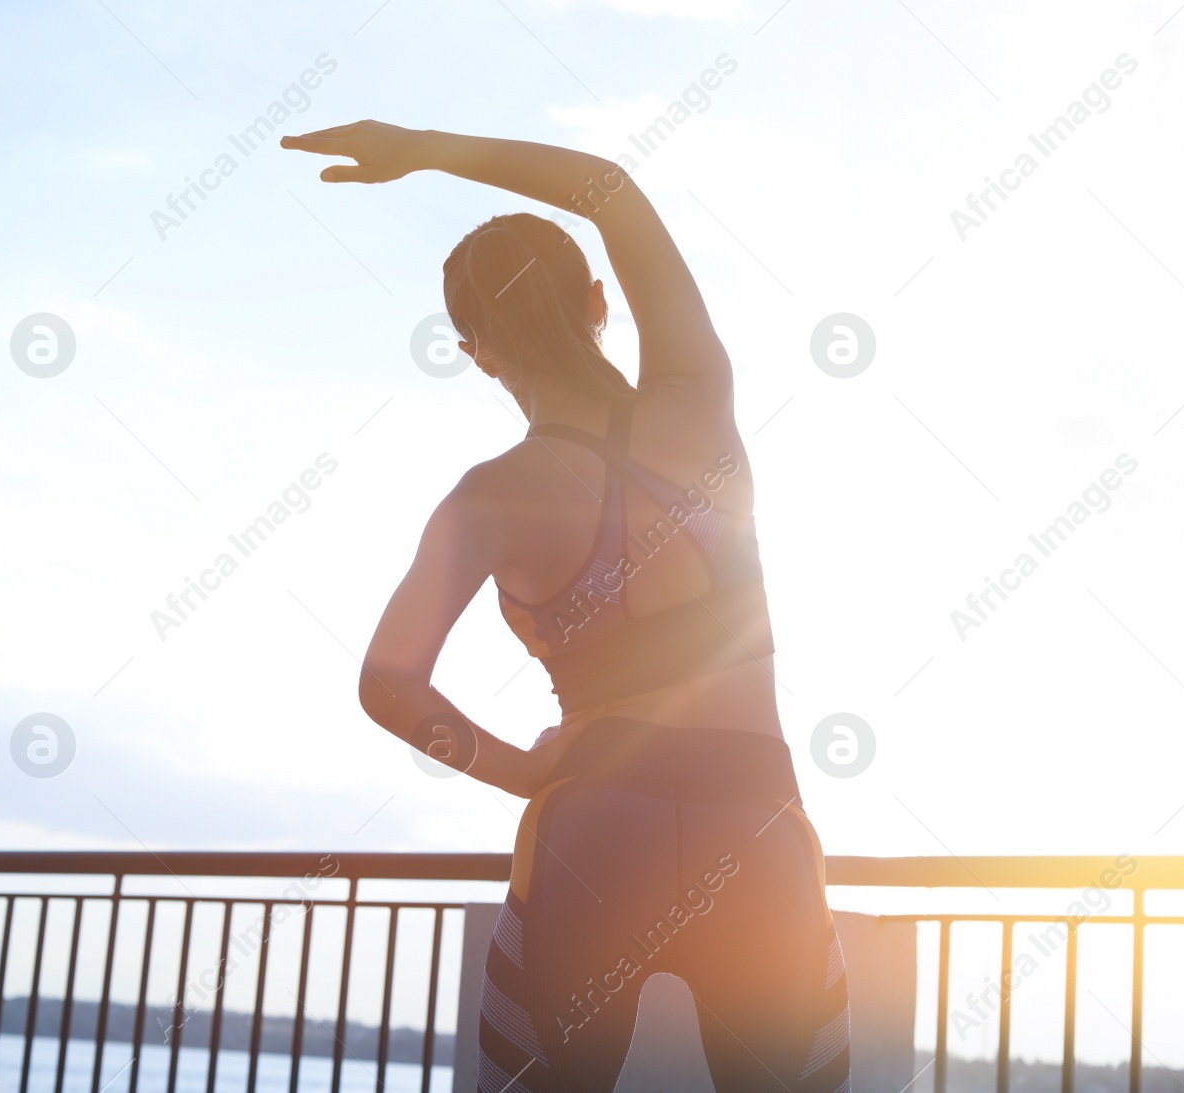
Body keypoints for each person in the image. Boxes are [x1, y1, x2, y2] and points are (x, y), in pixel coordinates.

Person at [284, 121, 849, 1092]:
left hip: (593, 834)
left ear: (474, 351)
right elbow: (606, 186)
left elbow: (388, 680)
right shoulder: (696, 400)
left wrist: (522, 773)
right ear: (598, 304)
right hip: (757, 827)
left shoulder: (487, 498)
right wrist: (420, 147)